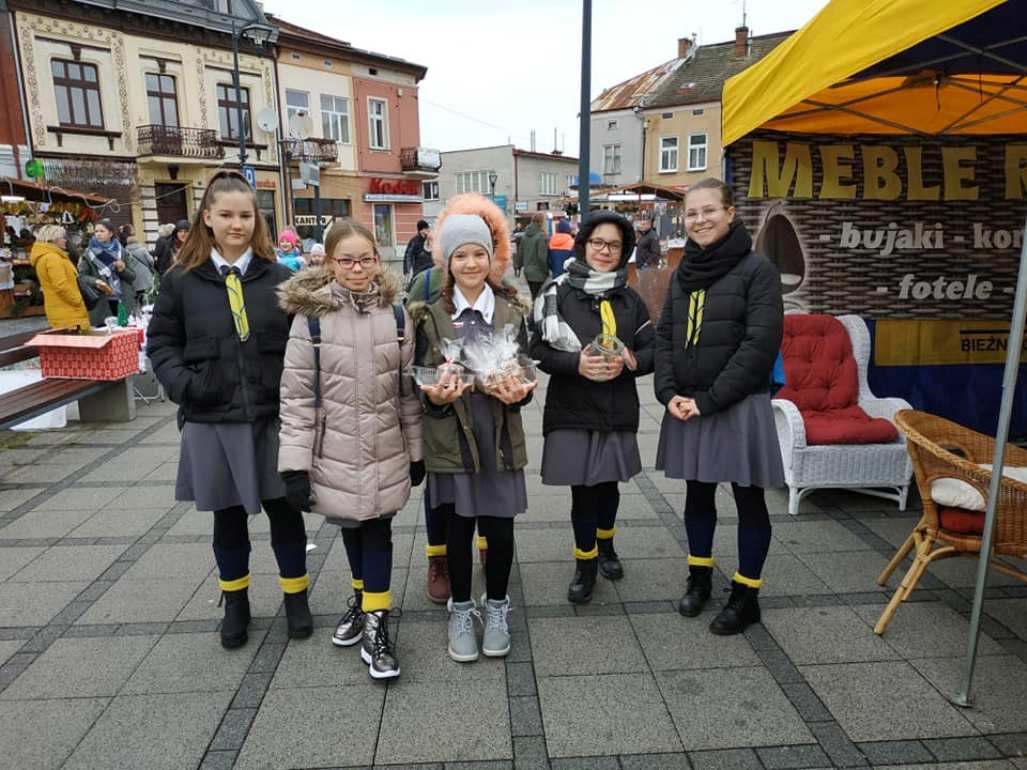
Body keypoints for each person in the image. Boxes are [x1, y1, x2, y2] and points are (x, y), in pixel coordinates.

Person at [146, 170, 312, 649]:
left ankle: (295, 596)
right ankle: (235, 602)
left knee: (286, 512)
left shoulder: (280, 278)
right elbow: (160, 343)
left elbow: (304, 343)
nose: (236, 224)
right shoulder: (181, 281)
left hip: (270, 417)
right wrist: (186, 385)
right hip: (211, 418)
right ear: (207, 218)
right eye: (226, 215)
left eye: (245, 215)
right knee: (228, 517)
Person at [278, 218, 423, 680]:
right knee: (350, 527)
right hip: (335, 448)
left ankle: (377, 624)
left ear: (378, 260)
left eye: (365, 258)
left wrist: (416, 450)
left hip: (385, 445)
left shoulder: (398, 316)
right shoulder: (310, 319)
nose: (357, 268)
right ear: (329, 262)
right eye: (346, 259)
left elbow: (407, 393)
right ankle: (363, 604)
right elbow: (297, 396)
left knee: (378, 531)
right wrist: (294, 465)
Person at [654, 177, 784, 636]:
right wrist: (668, 393)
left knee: (749, 500)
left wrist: (708, 401)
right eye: (691, 213)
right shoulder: (682, 273)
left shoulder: (757, 271)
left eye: (709, 210)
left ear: (730, 213)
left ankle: (746, 595)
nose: (700, 220)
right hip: (688, 403)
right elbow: (665, 336)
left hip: (735, 404)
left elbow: (759, 346)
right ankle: (700, 577)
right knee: (697, 494)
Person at [410, 193, 535, 662]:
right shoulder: (430, 316)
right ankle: (461, 608)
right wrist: (435, 393)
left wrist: (522, 389)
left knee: (500, 533)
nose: (470, 263)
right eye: (460, 254)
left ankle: (497, 606)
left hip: (499, 434)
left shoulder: (513, 311)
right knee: (457, 532)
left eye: (478, 253)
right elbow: (419, 375)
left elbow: (524, 368)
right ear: (447, 260)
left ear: (492, 257)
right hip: (452, 438)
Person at [531, 211, 655, 603]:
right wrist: (575, 363)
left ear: (624, 252)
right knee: (582, 491)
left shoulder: (630, 298)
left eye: (614, 245)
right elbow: (535, 349)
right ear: (584, 244)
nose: (605, 251)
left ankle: (607, 545)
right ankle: (585, 564)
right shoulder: (558, 293)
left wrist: (632, 361)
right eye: (598, 242)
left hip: (616, 405)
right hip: (571, 407)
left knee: (607, 485)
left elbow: (653, 351)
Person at [30, 224, 90, 330]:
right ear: (53, 240)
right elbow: (61, 285)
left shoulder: (47, 257)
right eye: (62, 238)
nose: (65, 240)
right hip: (68, 312)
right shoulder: (53, 259)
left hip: (60, 310)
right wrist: (78, 300)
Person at [79, 218, 136, 325]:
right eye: (96, 231)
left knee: (123, 333)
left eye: (102, 231)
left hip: (122, 299)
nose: (98, 234)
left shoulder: (121, 251)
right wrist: (96, 282)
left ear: (110, 233)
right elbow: (82, 276)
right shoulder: (88, 253)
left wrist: (122, 270)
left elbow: (132, 277)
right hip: (101, 301)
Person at [118, 224, 156, 307]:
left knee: (136, 295)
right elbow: (151, 261)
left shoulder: (125, 251)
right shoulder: (142, 249)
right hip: (144, 276)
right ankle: (145, 308)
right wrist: (151, 267)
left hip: (133, 276)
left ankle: (137, 309)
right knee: (146, 294)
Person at [520, 213, 549, 302]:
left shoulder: (524, 236)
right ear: (542, 222)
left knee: (534, 297)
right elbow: (542, 258)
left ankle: (532, 314)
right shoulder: (541, 236)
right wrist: (546, 271)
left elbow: (520, 254)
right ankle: (534, 315)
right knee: (540, 299)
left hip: (528, 272)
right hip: (538, 273)